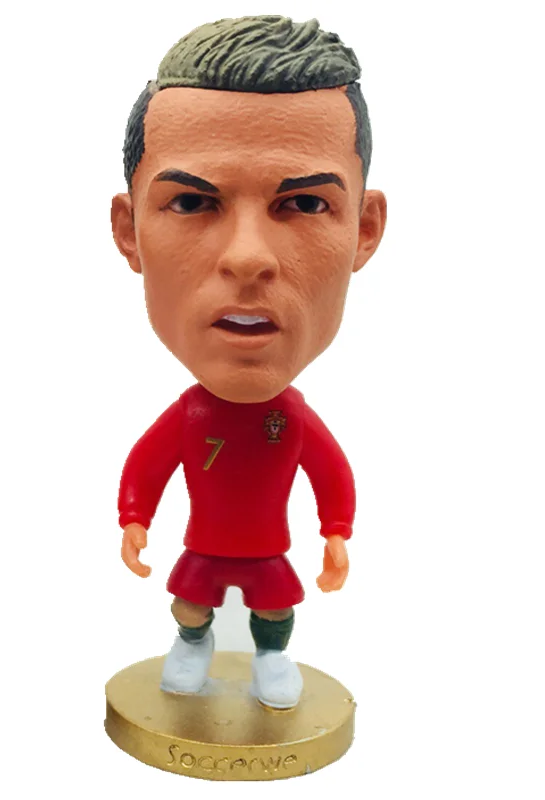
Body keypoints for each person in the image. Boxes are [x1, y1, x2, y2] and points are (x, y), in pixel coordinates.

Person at [111, 15, 386, 709]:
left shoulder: (293, 419)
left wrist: (336, 532)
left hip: (268, 551)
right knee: (190, 602)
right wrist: (134, 516)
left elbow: (331, 474)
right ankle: (192, 644)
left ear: (364, 230)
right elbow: (148, 465)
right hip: (202, 547)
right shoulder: (188, 416)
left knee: (273, 610)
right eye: (192, 201)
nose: (247, 258)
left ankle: (271, 660)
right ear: (128, 230)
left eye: (304, 203)